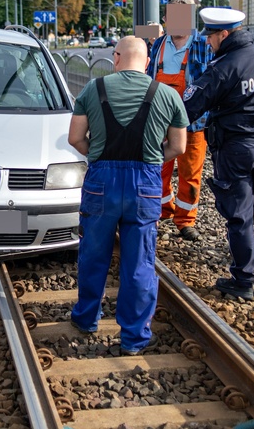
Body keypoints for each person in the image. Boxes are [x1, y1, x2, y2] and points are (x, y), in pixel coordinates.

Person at [68, 36, 189, 355]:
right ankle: (134, 337)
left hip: (101, 183)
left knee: (94, 254)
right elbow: (179, 147)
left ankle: (86, 318)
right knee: (139, 263)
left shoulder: (93, 90)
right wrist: (150, 160)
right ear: (147, 62)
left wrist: (97, 154)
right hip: (144, 185)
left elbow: (75, 138)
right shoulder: (166, 94)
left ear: (116, 57)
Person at [181, 7, 254, 300]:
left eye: (210, 36)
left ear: (224, 34)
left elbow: (189, 108)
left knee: (240, 215)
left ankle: (243, 279)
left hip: (235, 149)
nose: (208, 42)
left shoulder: (222, 68)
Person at [147, 27, 212, 241]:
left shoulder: (202, 44)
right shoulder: (159, 44)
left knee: (190, 173)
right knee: (158, 168)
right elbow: (150, 77)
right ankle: (163, 209)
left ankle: (185, 221)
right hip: (160, 120)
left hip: (193, 122)